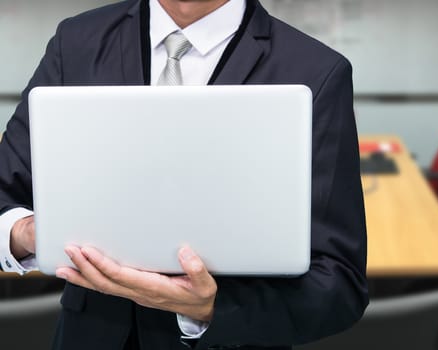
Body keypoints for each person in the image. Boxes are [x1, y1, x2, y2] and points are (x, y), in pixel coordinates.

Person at [0, 0, 368, 349]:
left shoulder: (315, 70)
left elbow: (338, 287)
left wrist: (208, 308)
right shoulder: (77, 42)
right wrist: (27, 234)